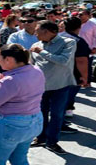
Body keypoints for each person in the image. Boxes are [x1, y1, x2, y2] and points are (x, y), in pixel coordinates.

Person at [30, 20, 77, 155]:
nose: (35, 34)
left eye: (37, 31)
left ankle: (52, 142)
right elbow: (32, 64)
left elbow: (63, 60)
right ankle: (40, 137)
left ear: (48, 32)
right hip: (40, 87)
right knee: (40, 113)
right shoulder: (35, 45)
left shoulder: (68, 42)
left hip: (60, 85)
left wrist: (42, 52)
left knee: (57, 114)